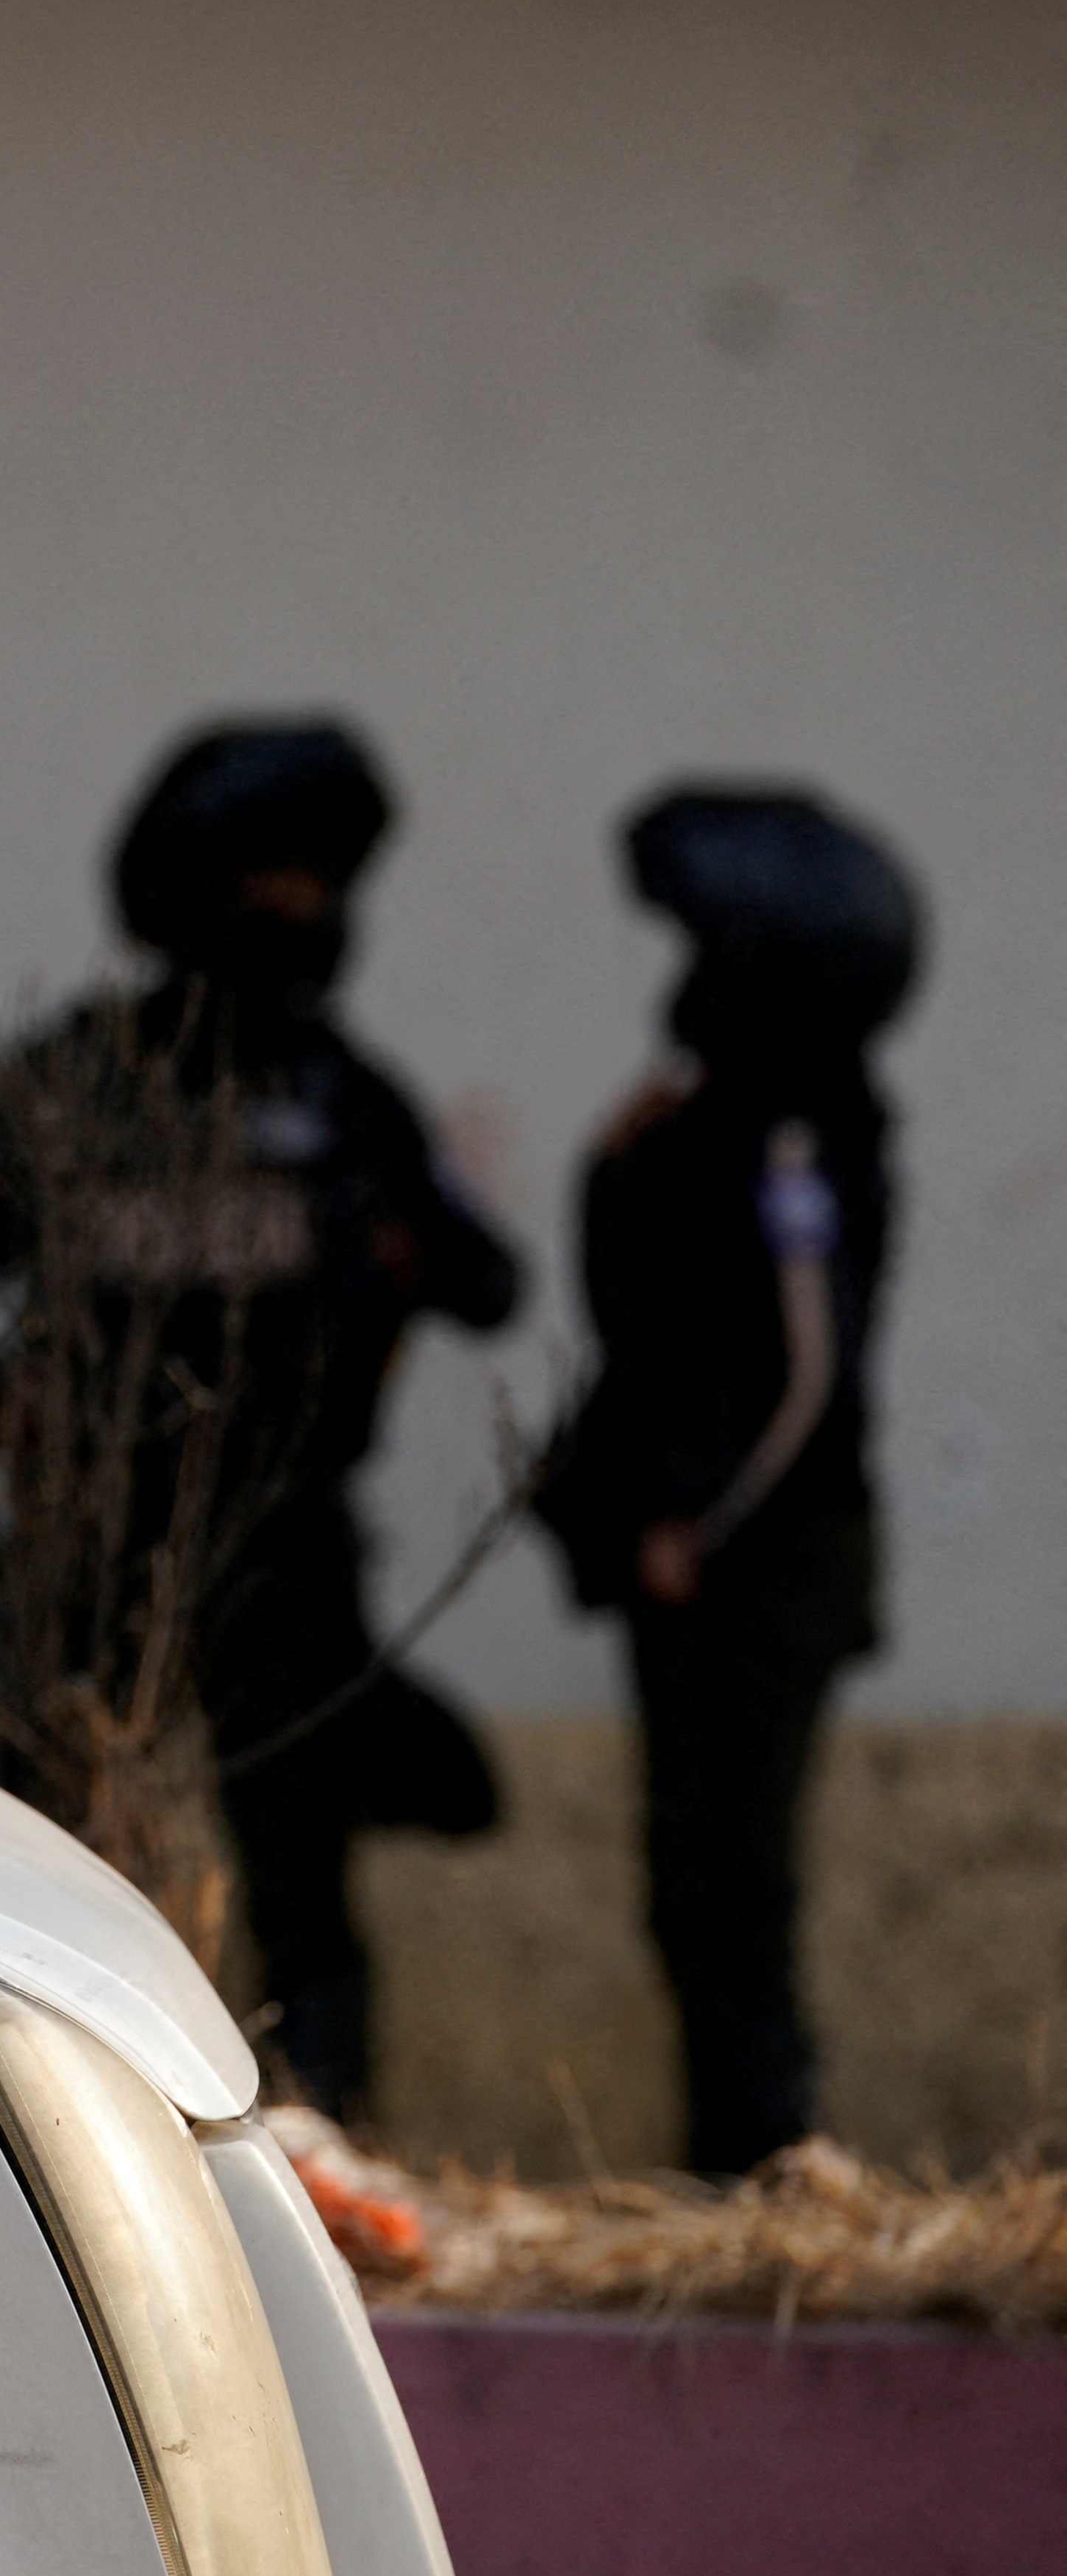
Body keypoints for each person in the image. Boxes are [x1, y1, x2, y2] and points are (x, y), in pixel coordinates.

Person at [43, 716, 518, 2115]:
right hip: (93, 1553)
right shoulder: (78, 1081)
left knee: (299, 1878)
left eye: (324, 880)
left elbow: (487, 1279)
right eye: (273, 876)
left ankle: (323, 2147)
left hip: (286, 1551)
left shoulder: (343, 1096)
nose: (303, 910)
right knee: (61, 1866)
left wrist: (400, 1239)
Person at [538, 785, 916, 2175]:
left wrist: (702, 1519)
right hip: (688, 1563)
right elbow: (640, 1319)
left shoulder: (803, 1133)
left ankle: (767, 2152)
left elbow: (810, 1369)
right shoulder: (714, 1126)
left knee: (738, 1883)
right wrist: (603, 1168)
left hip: (760, 1569)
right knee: (688, 1885)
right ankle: (729, 2162)